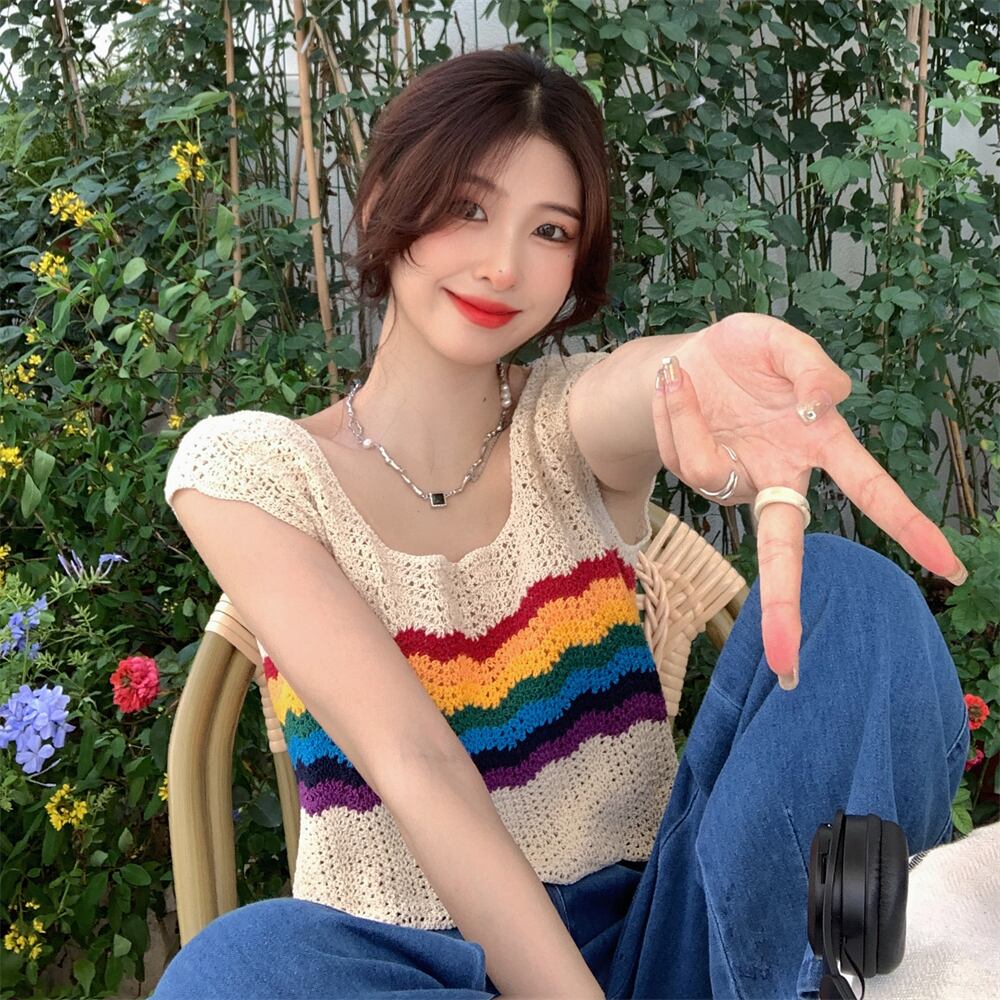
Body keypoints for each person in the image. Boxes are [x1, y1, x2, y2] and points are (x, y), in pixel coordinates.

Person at [153, 47, 971, 1000]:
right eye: (468, 207)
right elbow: (414, 760)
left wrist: (697, 368)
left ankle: (809, 983)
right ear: (382, 200)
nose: (502, 264)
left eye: (549, 230)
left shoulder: (562, 426)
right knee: (237, 968)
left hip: (663, 942)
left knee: (851, 593)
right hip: (414, 969)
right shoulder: (253, 468)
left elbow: (635, 387)